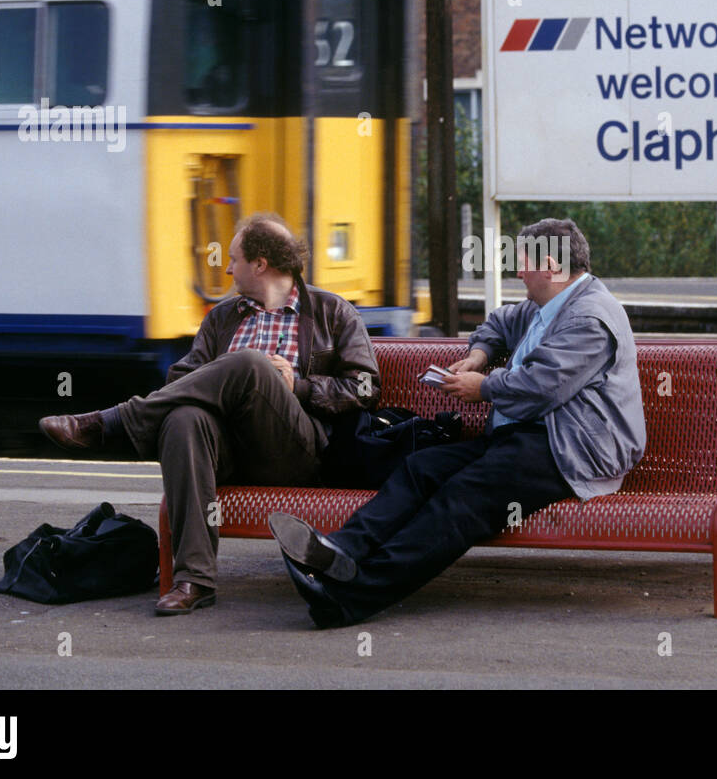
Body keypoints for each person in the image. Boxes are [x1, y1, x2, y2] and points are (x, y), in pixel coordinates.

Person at [268, 218, 645, 627]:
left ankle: (348, 598)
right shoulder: (548, 306)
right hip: (527, 438)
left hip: (570, 448)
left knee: (461, 499)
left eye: (523, 264)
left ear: (550, 265)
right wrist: (482, 352)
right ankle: (338, 552)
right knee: (421, 468)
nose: (518, 272)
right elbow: (498, 323)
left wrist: (481, 387)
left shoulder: (589, 317)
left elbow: (542, 385)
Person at [38, 212, 380, 615]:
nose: (228, 268)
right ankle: (194, 581)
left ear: (260, 264)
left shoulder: (331, 312)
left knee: (250, 365)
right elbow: (181, 378)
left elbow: (366, 388)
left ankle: (111, 423)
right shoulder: (223, 317)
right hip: (226, 452)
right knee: (184, 420)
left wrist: (297, 385)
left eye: (234, 259)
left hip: (295, 451)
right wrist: (224, 378)